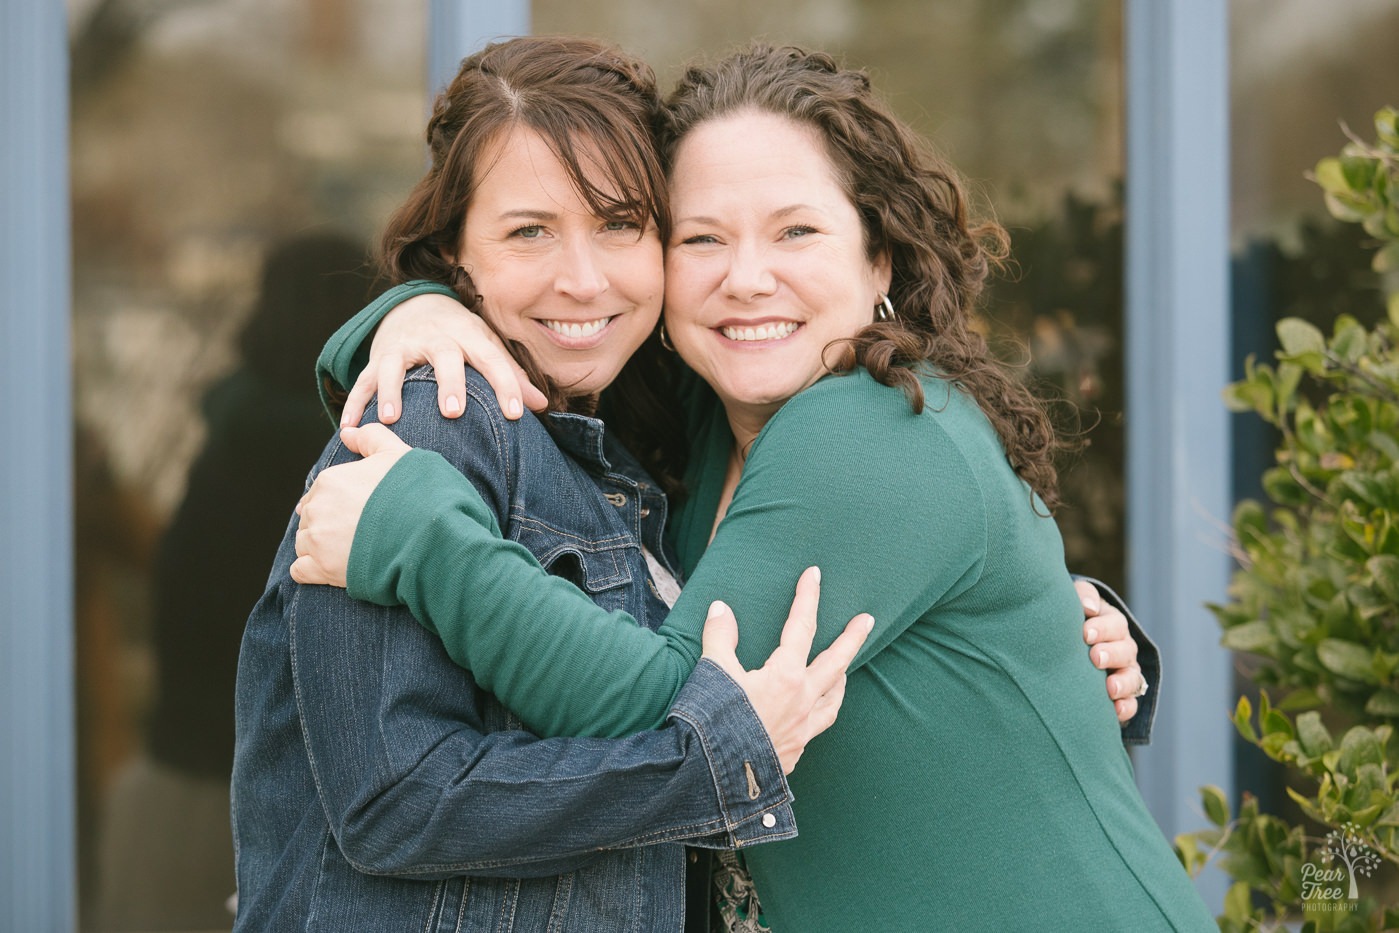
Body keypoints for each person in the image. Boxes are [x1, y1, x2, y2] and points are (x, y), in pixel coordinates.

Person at [292, 44, 1208, 931]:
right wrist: (409, 312)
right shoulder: (703, 421)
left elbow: (665, 711)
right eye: (701, 239)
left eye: (796, 231)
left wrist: (415, 537)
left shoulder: (871, 428)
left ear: (878, 257)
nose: (746, 278)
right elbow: (556, 310)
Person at [231, 36, 876, 932]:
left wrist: (1060, 607)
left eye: (619, 223)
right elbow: (391, 798)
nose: (582, 278)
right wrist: (708, 760)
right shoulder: (430, 422)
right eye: (529, 230)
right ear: (457, 256)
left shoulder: (637, 435)